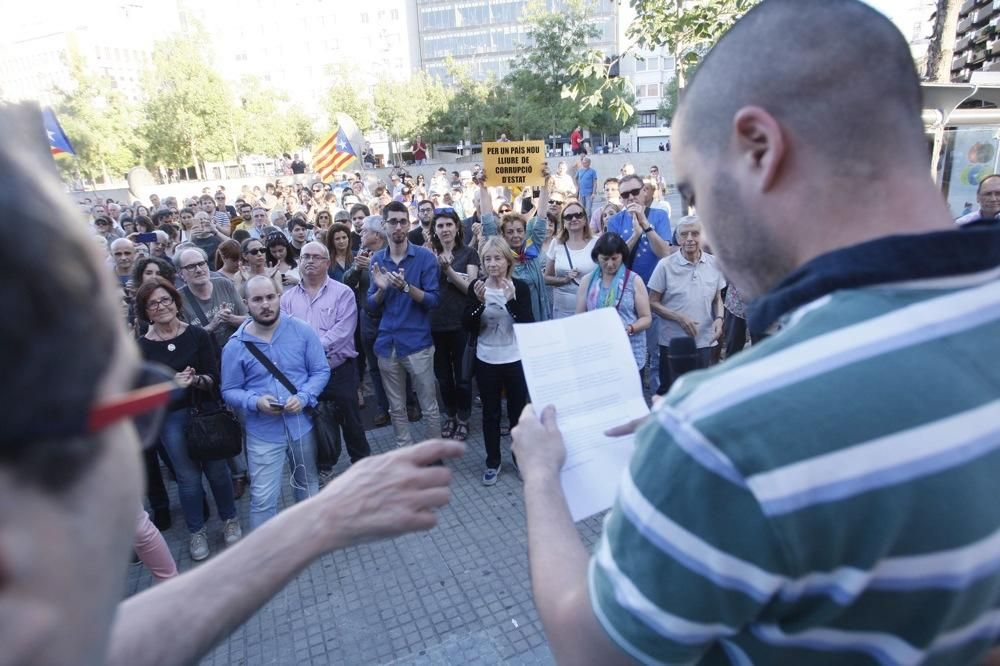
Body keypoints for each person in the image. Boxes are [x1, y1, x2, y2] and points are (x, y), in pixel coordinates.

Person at [511, 1, 1000, 663]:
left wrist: (541, 476)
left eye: (693, 190)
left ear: (759, 149)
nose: (698, 227)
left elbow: (592, 649)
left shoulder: (720, 430)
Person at [135, 278, 241, 561]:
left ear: (175, 301)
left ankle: (230, 519)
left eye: (165, 300)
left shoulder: (197, 335)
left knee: (218, 471)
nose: (161, 307)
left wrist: (195, 380)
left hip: (206, 411)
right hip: (170, 419)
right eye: (153, 303)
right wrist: (171, 386)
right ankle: (197, 531)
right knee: (188, 479)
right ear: (145, 311)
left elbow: (214, 378)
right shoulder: (141, 348)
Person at [221, 276, 330, 529]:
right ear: (246, 303)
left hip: (302, 425)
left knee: (307, 483)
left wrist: (303, 397)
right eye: (257, 299)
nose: (265, 304)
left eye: (270, 297)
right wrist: (255, 402)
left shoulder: (302, 330)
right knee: (263, 498)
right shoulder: (235, 346)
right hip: (263, 434)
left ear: (279, 297)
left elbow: (321, 371)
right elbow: (229, 390)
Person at [281, 242, 371, 467]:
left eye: (315, 257)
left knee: (352, 424)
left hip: (339, 371)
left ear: (327, 263)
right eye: (305, 257)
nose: (309, 261)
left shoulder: (343, 293)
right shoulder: (287, 299)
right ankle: (323, 470)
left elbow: (343, 332)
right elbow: (284, 336)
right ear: (299, 262)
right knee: (316, 425)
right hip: (306, 377)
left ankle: (364, 469)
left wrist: (309, 350)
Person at [366, 201, 442, 447]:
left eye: (402, 221)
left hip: (417, 343)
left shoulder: (424, 257)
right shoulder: (377, 259)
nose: (398, 226)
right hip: (387, 344)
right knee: (396, 408)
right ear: (384, 225)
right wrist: (380, 290)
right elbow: (370, 305)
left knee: (429, 405)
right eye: (393, 221)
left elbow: (433, 300)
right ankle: (405, 452)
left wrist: (407, 288)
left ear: (409, 224)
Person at [462, 236, 533, 485]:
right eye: (487, 259)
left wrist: (511, 301)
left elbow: (527, 324)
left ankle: (519, 458)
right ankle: (493, 461)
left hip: (514, 358)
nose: (493, 264)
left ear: (507, 260)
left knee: (517, 413)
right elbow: (467, 324)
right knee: (490, 414)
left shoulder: (520, 287)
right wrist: (479, 305)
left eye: (498, 258)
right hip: (486, 359)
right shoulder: (477, 288)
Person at [605, 172, 674, 394]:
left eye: (635, 192)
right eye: (625, 195)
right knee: (625, 353)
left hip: (654, 293)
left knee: (655, 352)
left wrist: (645, 224)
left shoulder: (660, 215)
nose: (631, 198)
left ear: (644, 191)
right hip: (625, 294)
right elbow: (613, 260)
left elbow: (665, 253)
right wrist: (634, 236)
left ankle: (655, 401)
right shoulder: (616, 220)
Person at [647, 215, 725, 393]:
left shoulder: (714, 263)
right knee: (673, 392)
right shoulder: (665, 266)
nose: (689, 239)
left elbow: (717, 298)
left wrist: (719, 318)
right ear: (678, 238)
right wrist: (679, 317)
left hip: (705, 339)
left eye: (695, 233)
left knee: (700, 390)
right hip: (673, 343)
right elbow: (652, 302)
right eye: (684, 234)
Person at [428, 207, 479, 441]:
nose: (445, 229)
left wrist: (448, 270)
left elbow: (471, 288)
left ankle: (463, 418)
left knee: (463, 377)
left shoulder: (468, 254)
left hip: (460, 325)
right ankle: (449, 415)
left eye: (449, 224)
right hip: (434, 325)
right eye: (440, 225)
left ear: (457, 227)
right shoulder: (427, 254)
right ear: (434, 230)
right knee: (443, 377)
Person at [575, 232, 652, 369]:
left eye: (614, 258)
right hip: (597, 349)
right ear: (597, 257)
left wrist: (630, 328)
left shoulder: (634, 280)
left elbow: (646, 318)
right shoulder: (587, 281)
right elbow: (579, 317)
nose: (610, 264)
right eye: (605, 259)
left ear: (622, 256)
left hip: (629, 349)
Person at [344, 214, 392, 427]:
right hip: (368, 319)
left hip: (389, 317)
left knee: (399, 363)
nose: (359, 233)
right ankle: (383, 408)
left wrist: (374, 264)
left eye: (363, 230)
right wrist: (356, 268)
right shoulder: (360, 255)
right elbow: (346, 282)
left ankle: (409, 403)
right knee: (374, 368)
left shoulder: (390, 254)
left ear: (376, 234)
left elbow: (393, 283)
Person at [479, 180, 551, 321]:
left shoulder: (533, 248)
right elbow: (487, 220)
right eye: (510, 232)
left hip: (534, 313)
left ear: (525, 232)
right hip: (507, 315)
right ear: (503, 235)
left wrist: (544, 183)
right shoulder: (499, 253)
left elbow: (542, 217)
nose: (516, 235)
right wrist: (483, 186)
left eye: (519, 231)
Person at [177, 247, 249, 353]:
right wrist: (212, 325)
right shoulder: (177, 299)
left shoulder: (225, 284)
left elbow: (248, 321)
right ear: (180, 274)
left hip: (238, 351)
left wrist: (230, 318)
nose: (199, 270)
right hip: (206, 358)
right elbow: (185, 340)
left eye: (201, 263)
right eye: (191, 266)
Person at [544, 199, 596, 319]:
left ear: (585, 220)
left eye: (578, 215)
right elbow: (546, 278)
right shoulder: (556, 243)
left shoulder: (597, 243)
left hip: (590, 307)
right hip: (563, 309)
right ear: (563, 222)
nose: (574, 219)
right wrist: (565, 280)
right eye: (568, 216)